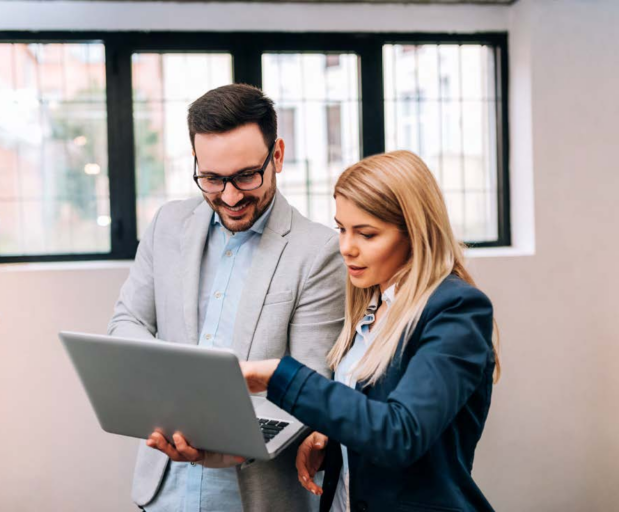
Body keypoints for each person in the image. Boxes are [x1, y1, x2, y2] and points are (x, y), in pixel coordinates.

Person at [107, 83, 347, 512]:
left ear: (277, 156)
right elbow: (128, 322)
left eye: (245, 177)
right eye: (212, 179)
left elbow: (313, 382)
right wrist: (170, 396)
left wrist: (222, 440)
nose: (231, 197)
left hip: (257, 492)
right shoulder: (167, 225)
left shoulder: (318, 251)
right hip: (163, 487)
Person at [241, 150, 501, 512]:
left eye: (366, 233)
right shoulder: (369, 307)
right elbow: (370, 412)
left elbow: (401, 434)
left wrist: (278, 376)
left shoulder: (456, 311)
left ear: (414, 232)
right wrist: (335, 441)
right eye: (341, 229)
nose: (346, 248)